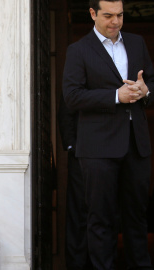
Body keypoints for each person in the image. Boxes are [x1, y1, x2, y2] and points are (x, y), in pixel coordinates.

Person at [62, 0, 154, 269]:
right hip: (97, 149)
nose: (115, 21)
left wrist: (144, 90)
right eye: (108, 15)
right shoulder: (78, 50)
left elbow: (152, 82)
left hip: (136, 145)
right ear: (92, 13)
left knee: (137, 218)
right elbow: (72, 96)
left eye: (120, 15)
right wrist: (116, 96)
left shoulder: (137, 43)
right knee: (100, 220)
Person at [58, 97, 92, 270]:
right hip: (79, 155)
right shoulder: (77, 73)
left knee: (104, 214)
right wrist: (72, 146)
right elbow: (67, 108)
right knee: (77, 212)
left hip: (107, 156)